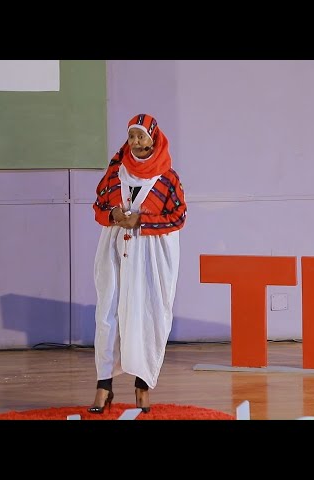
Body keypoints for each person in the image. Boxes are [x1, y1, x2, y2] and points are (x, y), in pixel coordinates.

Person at [88, 113, 187, 414]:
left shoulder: (168, 178)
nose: (134, 141)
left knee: (148, 313)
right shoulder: (116, 172)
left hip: (152, 254)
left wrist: (142, 220)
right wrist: (113, 215)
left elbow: (178, 216)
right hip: (115, 248)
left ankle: (142, 385)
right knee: (108, 312)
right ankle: (104, 385)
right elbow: (99, 206)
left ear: (153, 139)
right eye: (131, 135)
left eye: (140, 135)